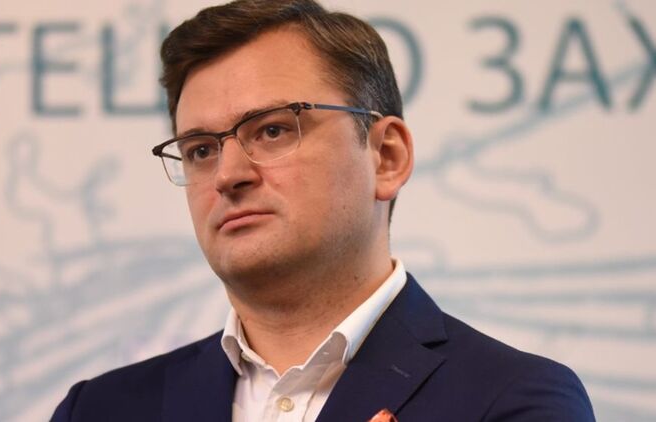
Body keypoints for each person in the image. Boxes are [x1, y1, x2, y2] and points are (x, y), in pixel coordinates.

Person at [51, 0, 596, 420]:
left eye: (272, 130)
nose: (227, 175)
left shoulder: (513, 400)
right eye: (200, 150)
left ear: (386, 157)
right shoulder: (99, 410)